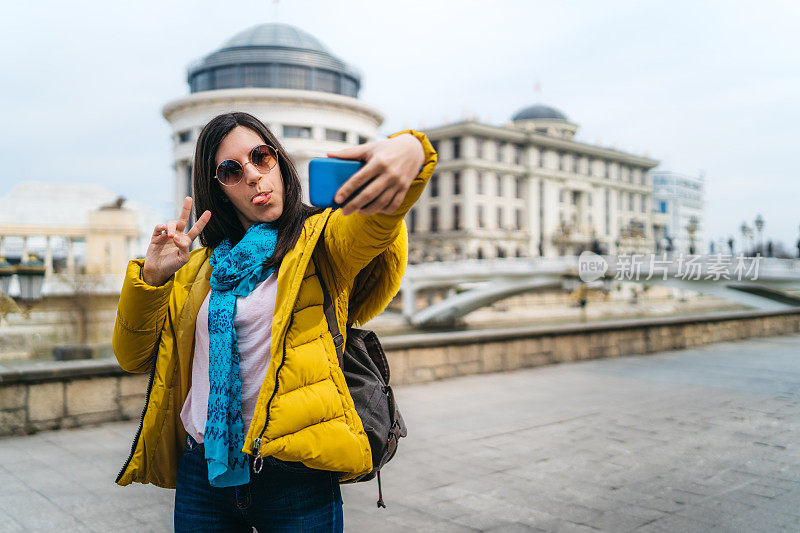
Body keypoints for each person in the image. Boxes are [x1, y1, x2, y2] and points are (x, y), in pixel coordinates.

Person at [112, 111, 437, 531]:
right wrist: (153, 279)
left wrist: (411, 149)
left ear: (280, 162)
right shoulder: (199, 269)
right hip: (203, 473)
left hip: (293, 474)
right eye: (231, 170)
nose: (252, 175)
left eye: (260, 157)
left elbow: (377, 221)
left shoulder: (323, 244)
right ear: (219, 190)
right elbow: (133, 356)